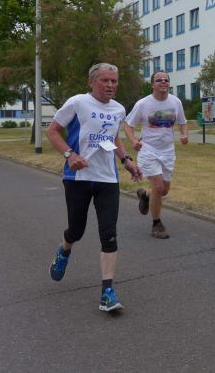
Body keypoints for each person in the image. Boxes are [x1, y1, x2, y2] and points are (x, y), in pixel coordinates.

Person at [46, 63, 142, 312]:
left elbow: (113, 136)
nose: (110, 85)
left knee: (109, 233)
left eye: (114, 81)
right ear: (92, 82)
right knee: (76, 230)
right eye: (105, 80)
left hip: (107, 179)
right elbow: (53, 131)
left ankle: (107, 291)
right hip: (77, 178)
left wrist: (126, 160)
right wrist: (69, 154)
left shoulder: (118, 109)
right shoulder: (78, 102)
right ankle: (64, 250)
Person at [122, 71, 188, 239]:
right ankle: (156, 224)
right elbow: (128, 125)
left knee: (163, 191)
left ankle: (145, 196)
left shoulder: (175, 102)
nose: (163, 82)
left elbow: (183, 122)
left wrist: (184, 134)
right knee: (158, 187)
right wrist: (133, 140)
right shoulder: (143, 104)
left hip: (168, 151)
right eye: (159, 80)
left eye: (166, 80)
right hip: (149, 150)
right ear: (152, 84)